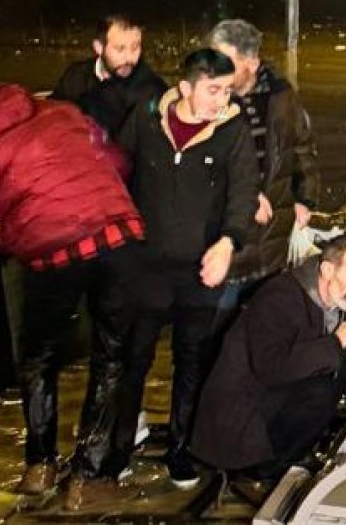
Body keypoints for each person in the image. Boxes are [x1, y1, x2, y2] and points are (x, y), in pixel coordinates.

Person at [0, 84, 144, 505]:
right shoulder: (59, 112)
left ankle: (41, 465)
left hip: (54, 251)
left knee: (38, 356)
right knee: (110, 354)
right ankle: (88, 473)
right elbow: (115, 157)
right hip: (119, 238)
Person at [111, 48, 259, 490]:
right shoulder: (145, 118)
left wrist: (229, 242)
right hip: (146, 266)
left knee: (192, 360)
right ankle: (116, 450)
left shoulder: (232, 131)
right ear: (187, 87)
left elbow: (243, 192)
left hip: (201, 269)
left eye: (227, 90)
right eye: (214, 90)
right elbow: (116, 171)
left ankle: (181, 450)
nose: (221, 99)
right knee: (133, 358)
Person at [191, 235, 346, 502]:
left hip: (277, 402)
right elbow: (270, 367)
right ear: (327, 270)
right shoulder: (280, 297)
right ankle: (267, 468)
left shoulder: (345, 300)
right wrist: (334, 344)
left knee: (338, 375)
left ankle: (289, 455)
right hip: (243, 419)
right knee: (322, 388)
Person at [208, 19, 320, 307]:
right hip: (227, 237)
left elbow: (302, 148)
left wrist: (305, 200)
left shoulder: (282, 96)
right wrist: (247, 196)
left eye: (227, 61)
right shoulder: (207, 98)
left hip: (273, 240)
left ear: (252, 63)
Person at [51, 14, 167, 138]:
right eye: (120, 49)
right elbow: (53, 116)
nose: (129, 57)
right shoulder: (75, 75)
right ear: (99, 48)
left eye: (135, 47)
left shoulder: (152, 90)